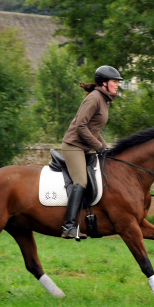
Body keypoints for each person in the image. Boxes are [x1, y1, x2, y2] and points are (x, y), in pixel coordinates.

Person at [60, 65, 122, 239]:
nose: (118, 85)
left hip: (86, 147)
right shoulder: (94, 98)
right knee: (81, 181)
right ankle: (69, 227)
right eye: (115, 81)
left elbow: (94, 130)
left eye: (118, 82)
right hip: (74, 146)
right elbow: (81, 126)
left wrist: (106, 148)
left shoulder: (103, 100)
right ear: (104, 83)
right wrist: (99, 147)